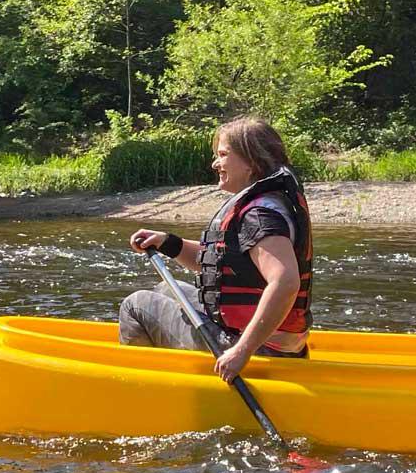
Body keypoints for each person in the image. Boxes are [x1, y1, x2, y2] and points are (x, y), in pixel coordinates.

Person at [121, 116, 313, 382]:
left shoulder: (258, 216)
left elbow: (285, 282)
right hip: (271, 344)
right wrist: (168, 243)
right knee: (164, 289)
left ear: (251, 163)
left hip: (259, 350)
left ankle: (142, 385)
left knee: (136, 305)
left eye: (223, 154)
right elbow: (222, 266)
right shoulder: (267, 205)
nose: (215, 163)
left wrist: (242, 352)